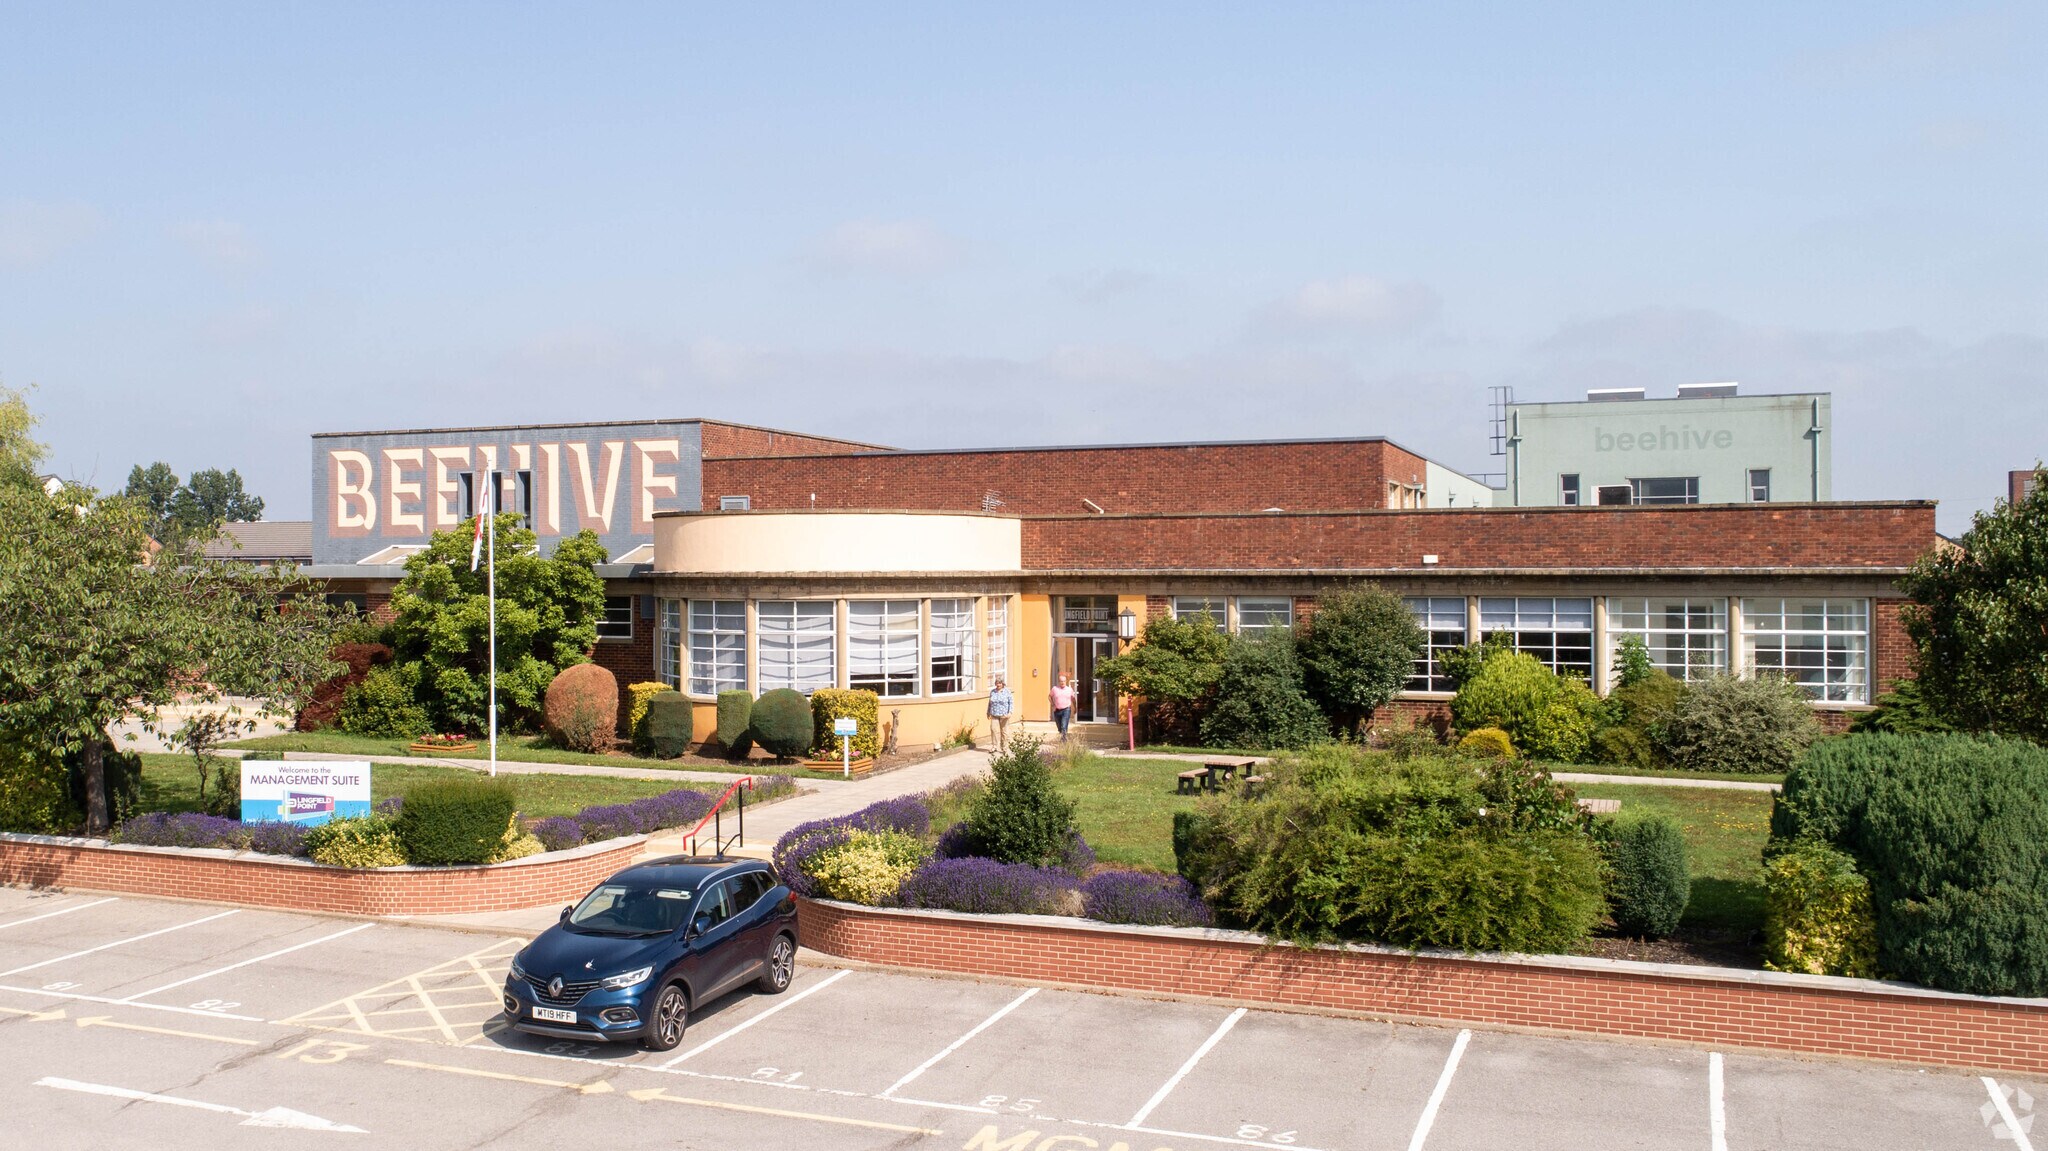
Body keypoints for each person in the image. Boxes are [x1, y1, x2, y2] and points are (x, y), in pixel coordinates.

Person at [986, 676, 1014, 749]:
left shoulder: (1007, 691)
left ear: (1003, 684)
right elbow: (990, 702)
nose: (998, 685)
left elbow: (1011, 702)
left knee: (1004, 732)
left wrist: (1010, 712)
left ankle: (1004, 747)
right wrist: (988, 712)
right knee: (993, 730)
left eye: (1000, 683)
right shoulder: (993, 692)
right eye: (997, 683)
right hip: (994, 714)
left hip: (1004, 715)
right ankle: (994, 746)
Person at [1049, 673, 1076, 740]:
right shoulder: (1055, 689)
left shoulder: (1069, 690)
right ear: (1059, 682)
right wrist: (1053, 705)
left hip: (1066, 710)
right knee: (1059, 727)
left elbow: (1073, 699)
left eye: (1064, 681)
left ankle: (1064, 740)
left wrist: (1075, 708)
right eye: (1061, 681)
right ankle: (1063, 736)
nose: (1062, 682)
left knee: (1064, 725)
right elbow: (1049, 696)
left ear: (1066, 681)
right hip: (1057, 710)